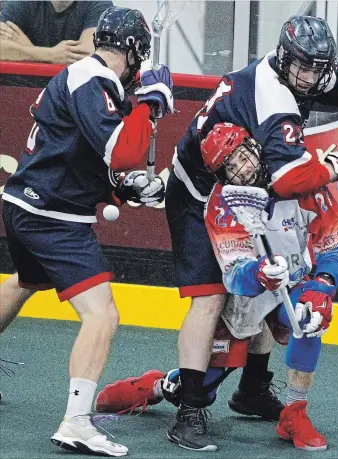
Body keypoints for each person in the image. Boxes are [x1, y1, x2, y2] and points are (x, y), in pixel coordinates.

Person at [163, 15, 338, 450]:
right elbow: (287, 178)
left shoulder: (289, 69)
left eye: (314, 68)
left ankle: (252, 389)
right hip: (202, 195)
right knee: (210, 299)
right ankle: (189, 408)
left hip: (250, 191)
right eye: (302, 67)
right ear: (286, 59)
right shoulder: (273, 97)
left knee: (280, 280)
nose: (308, 77)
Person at [94, 122, 338, 452]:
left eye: (243, 156)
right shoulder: (221, 204)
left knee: (311, 317)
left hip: (294, 283)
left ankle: (294, 413)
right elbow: (234, 273)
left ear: (256, 147)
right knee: (200, 391)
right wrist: (259, 273)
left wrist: (324, 284)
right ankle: (156, 386)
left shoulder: (299, 177)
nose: (242, 169)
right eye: (229, 166)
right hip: (245, 299)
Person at [0, 6, 174, 457]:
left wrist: (129, 189)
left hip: (27, 204)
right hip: (52, 215)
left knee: (24, 282)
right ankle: (77, 421)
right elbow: (122, 152)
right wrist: (152, 103)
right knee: (103, 315)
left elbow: (95, 158)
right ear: (135, 52)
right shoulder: (93, 80)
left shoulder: (93, 79)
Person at [0, 0, 113, 63]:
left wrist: (26, 49)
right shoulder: (21, 3)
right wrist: (51, 55)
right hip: (22, 89)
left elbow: (85, 56)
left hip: (70, 93)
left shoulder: (98, 4)